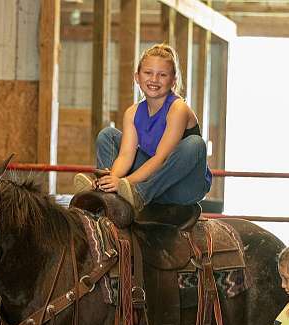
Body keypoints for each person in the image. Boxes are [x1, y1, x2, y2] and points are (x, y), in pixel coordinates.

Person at [73, 43, 212, 211]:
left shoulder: (178, 109)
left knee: (195, 144)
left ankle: (138, 195)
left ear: (173, 81)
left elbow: (161, 159)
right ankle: (105, 193)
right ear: (137, 77)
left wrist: (127, 183)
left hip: (183, 185)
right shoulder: (132, 113)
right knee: (107, 135)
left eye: (162, 75)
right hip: (151, 178)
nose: (154, 80)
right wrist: (113, 179)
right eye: (148, 73)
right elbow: (125, 155)